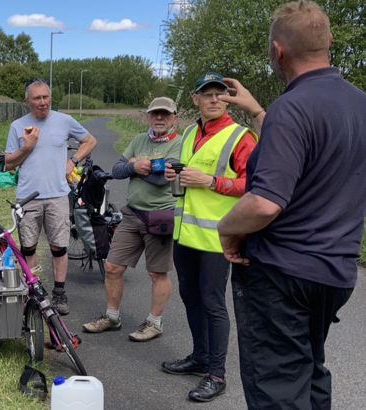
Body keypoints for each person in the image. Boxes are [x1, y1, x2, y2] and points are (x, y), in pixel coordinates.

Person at [217, 2, 366, 408]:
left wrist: (227, 229)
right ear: (329, 41)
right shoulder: (358, 104)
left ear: (277, 51)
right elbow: (315, 153)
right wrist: (256, 111)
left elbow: (265, 204)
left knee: (278, 387)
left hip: (283, 274)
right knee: (310, 372)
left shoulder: (292, 107)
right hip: (335, 272)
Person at [161, 72, 257, 402]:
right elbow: (188, 175)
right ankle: (199, 356)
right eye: (207, 93)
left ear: (227, 99)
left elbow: (256, 186)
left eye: (220, 93)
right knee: (191, 299)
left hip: (218, 238)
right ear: (195, 99)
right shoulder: (189, 133)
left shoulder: (240, 137)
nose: (214, 99)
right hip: (186, 234)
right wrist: (176, 174)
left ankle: (216, 374)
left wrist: (211, 181)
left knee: (213, 304)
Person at [82, 97, 181, 342]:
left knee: (156, 273)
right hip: (132, 213)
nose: (159, 118)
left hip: (160, 216)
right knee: (113, 267)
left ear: (174, 118)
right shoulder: (138, 140)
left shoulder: (180, 144)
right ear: (148, 116)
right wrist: (134, 167)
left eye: (165, 114)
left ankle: (154, 323)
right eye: (155, 113)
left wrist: (135, 167)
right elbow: (115, 170)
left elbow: (162, 179)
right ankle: (112, 317)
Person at [5, 78, 97, 315]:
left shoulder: (64, 121)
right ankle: (33, 293)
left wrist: (73, 160)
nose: (43, 102)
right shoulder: (18, 126)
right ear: (27, 102)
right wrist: (27, 146)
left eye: (46, 97)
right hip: (28, 197)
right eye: (37, 98)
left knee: (59, 247)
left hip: (57, 195)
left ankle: (59, 293)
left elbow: (90, 140)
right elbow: (7, 164)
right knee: (29, 247)